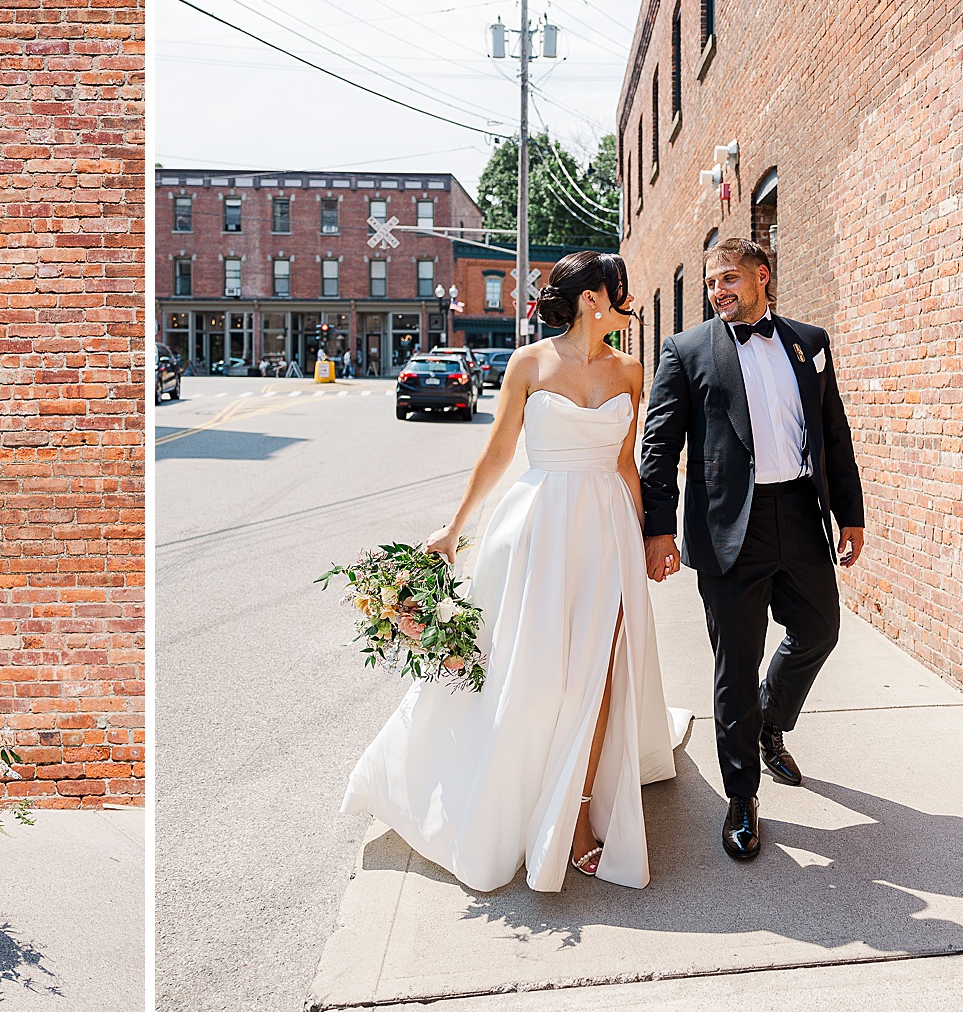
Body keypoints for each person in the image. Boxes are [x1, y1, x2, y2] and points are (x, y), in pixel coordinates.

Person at [343, 253, 690, 890]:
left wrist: (650, 538)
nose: (631, 300)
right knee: (533, 671)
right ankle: (519, 793)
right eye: (621, 292)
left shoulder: (631, 370)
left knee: (601, 673)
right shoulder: (528, 363)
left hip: (607, 528)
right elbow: (500, 448)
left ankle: (578, 815)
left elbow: (623, 461)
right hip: (538, 526)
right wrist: (455, 527)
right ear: (593, 299)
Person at [639, 239, 865, 862]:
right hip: (724, 528)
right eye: (712, 283)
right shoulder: (686, 352)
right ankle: (742, 797)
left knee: (820, 629)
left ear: (762, 276)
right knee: (735, 666)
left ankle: (771, 720)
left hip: (798, 512)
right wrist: (658, 530)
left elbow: (833, 434)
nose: (718, 291)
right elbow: (658, 449)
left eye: (729, 279)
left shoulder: (808, 343)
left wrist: (850, 513)